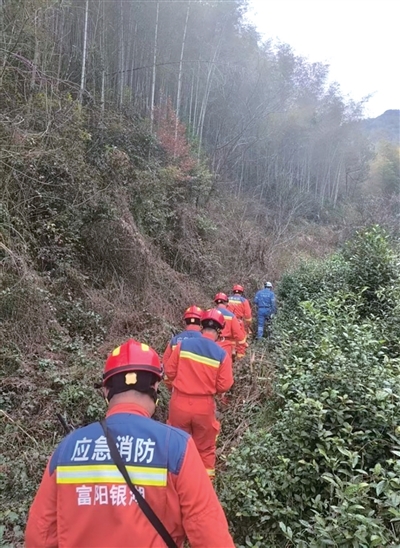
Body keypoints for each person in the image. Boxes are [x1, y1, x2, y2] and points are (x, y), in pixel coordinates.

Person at [25, 339, 235, 548]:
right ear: (155, 386)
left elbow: (39, 537)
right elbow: (211, 537)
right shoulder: (176, 446)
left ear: (106, 391)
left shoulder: (67, 449)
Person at [166, 309, 233, 480]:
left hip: (179, 403)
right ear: (219, 331)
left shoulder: (183, 346)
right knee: (205, 449)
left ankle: (176, 484)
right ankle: (204, 487)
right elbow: (225, 385)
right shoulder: (221, 354)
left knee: (177, 445)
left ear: (202, 327)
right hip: (204, 407)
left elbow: (169, 371)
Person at [214, 292, 246, 359]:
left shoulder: (209, 313)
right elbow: (238, 334)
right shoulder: (231, 316)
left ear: (216, 302)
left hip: (211, 345)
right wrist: (241, 352)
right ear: (226, 303)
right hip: (226, 347)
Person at [228, 284, 252, 358]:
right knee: (241, 340)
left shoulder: (227, 299)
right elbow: (248, 315)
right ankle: (240, 358)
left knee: (229, 338)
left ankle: (230, 353)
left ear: (233, 291)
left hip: (228, 321)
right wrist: (248, 324)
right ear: (241, 292)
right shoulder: (244, 300)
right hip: (238, 322)